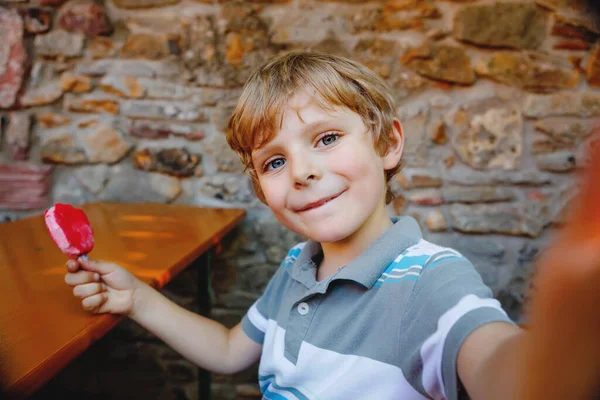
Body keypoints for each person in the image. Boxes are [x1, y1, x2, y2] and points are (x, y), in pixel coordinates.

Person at [65, 51, 600, 400]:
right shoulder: (297, 269)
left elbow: (509, 375)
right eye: (274, 162)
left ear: (388, 144)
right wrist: (137, 299)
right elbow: (230, 352)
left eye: (326, 139)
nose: (302, 171)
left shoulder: (430, 282)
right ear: (261, 189)